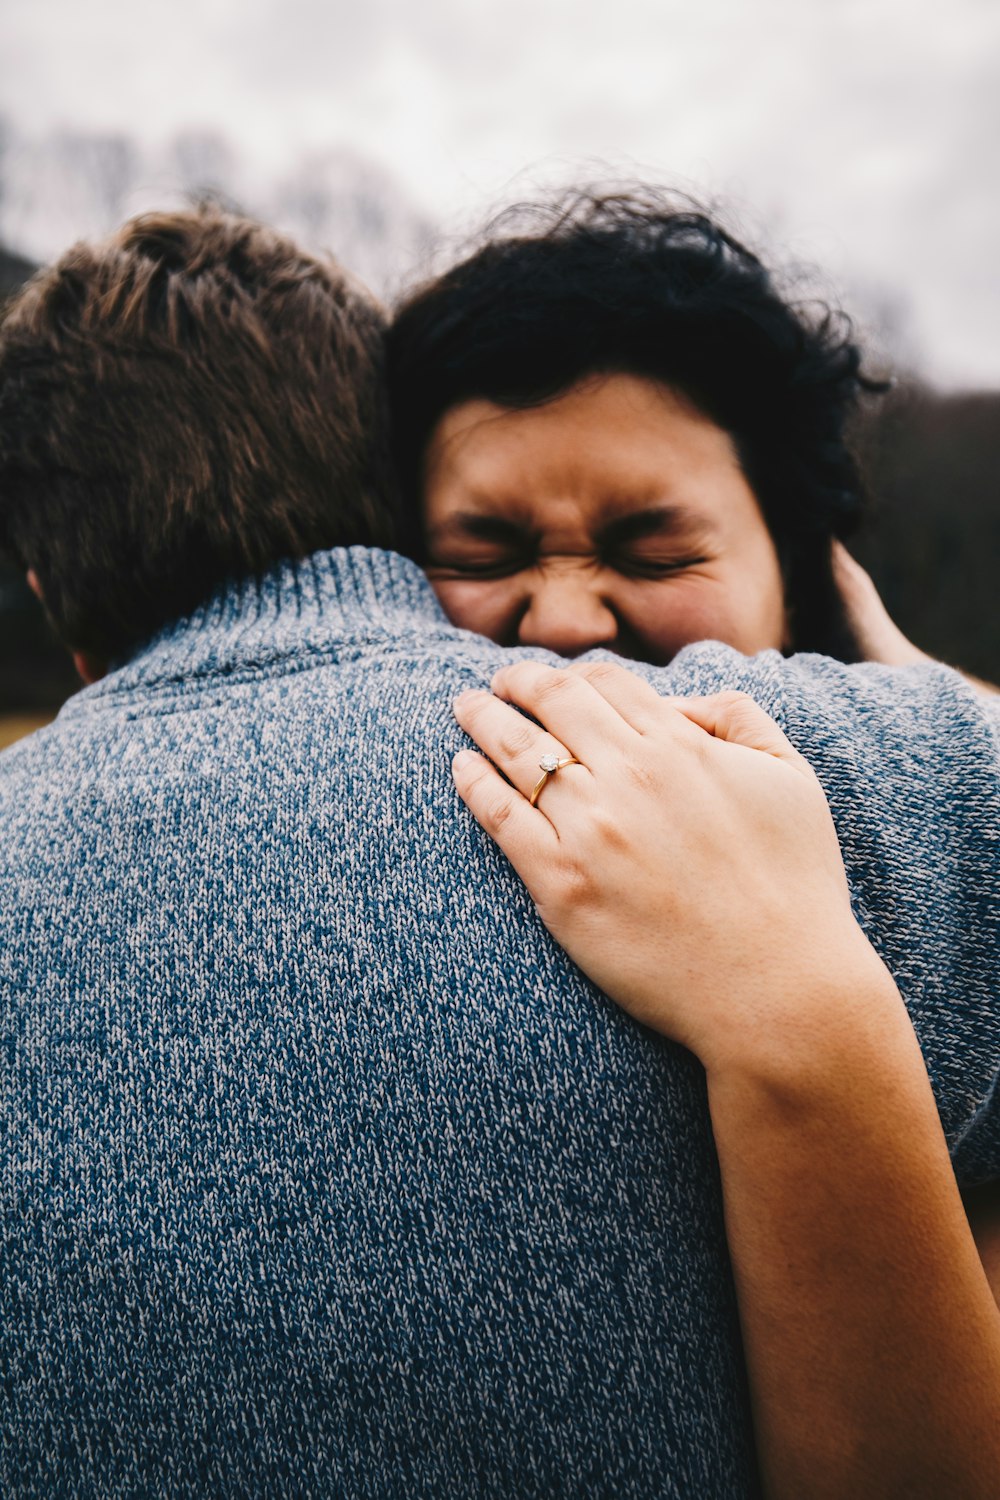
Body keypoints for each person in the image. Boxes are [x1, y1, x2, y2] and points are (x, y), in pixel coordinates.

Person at [0, 204, 997, 1500]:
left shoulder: (902, 811)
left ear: (810, 582)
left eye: (653, 547)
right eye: (485, 551)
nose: (569, 616)